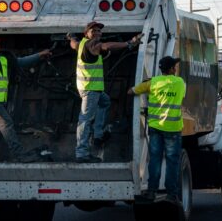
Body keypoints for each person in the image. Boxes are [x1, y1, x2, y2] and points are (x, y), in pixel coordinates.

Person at [68, 21, 143, 163]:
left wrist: (70, 36)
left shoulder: (81, 44)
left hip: (90, 88)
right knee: (85, 119)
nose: (97, 33)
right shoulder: (93, 45)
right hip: (90, 89)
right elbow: (106, 46)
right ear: (87, 34)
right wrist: (129, 43)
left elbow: (74, 43)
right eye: (93, 31)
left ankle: (98, 135)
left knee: (105, 102)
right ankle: (82, 153)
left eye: (99, 31)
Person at [0, 36, 52, 162]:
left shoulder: (4, 59)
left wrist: (39, 55)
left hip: (0, 101)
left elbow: (20, 62)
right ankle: (20, 155)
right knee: (6, 123)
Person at [127, 56, 186, 203]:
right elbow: (182, 96)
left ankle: (152, 191)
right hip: (173, 129)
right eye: (175, 66)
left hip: (155, 128)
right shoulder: (180, 83)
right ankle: (171, 194)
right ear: (172, 69)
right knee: (172, 161)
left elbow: (131, 92)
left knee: (155, 160)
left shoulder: (152, 83)